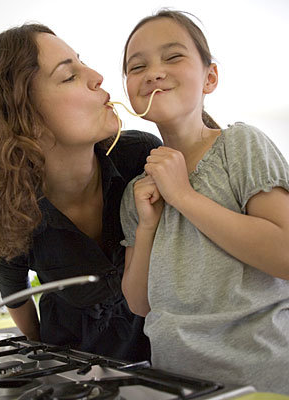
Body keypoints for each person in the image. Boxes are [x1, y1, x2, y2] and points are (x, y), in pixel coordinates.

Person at [0, 23, 162, 362]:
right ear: (22, 118)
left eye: (82, 63)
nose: (98, 76)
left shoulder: (140, 157)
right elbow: (18, 302)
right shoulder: (4, 213)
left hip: (166, 369)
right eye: (69, 76)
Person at [119, 9, 289, 393]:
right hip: (176, 382)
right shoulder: (138, 193)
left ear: (209, 78)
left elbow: (285, 255)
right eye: (137, 66)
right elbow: (139, 304)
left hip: (262, 379)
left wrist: (183, 195)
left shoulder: (241, 145)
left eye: (173, 56)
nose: (154, 72)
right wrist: (147, 226)